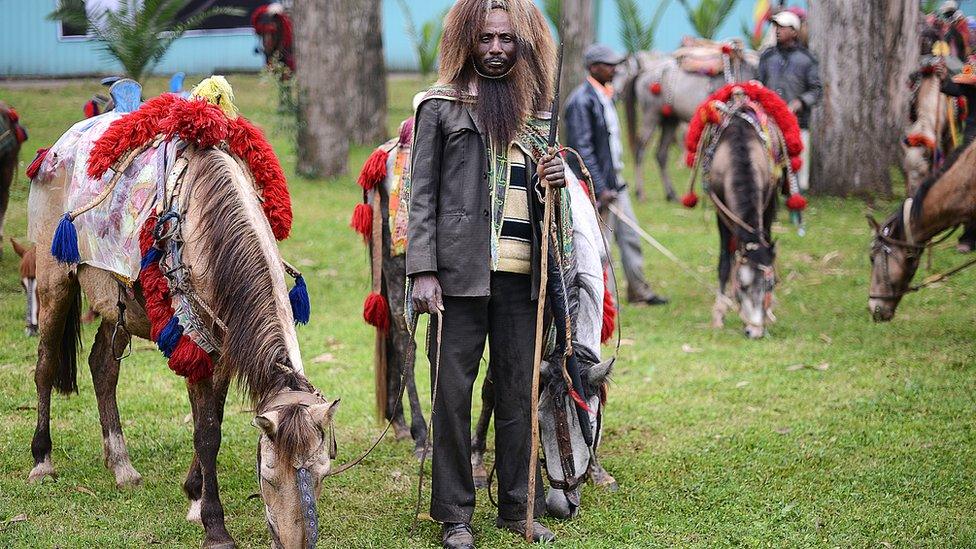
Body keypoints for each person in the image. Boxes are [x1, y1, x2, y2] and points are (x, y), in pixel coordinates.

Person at [406, 1, 566, 546]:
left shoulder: (539, 113)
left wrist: (555, 179)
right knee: (453, 394)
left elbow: (550, 209)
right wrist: (424, 272)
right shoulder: (439, 107)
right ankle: (454, 515)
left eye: (506, 40)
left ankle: (518, 508)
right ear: (466, 43)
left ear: (523, 43)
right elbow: (419, 197)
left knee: (519, 393)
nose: (496, 49)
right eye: (485, 40)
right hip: (458, 278)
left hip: (522, 281)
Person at [563, 44, 669, 306]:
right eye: (609, 64)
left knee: (630, 238)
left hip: (615, 184)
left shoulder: (605, 96)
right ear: (594, 67)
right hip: (599, 189)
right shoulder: (581, 101)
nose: (615, 69)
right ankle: (604, 300)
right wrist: (599, 188)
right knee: (601, 247)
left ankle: (638, 291)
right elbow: (582, 149)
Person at [758, 10, 822, 192]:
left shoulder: (807, 59)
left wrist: (799, 103)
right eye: (776, 26)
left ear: (794, 31)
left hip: (797, 123)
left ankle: (796, 200)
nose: (777, 30)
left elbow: (816, 90)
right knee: (768, 166)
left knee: (797, 172)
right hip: (769, 123)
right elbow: (759, 84)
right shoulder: (767, 57)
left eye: (782, 27)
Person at [936, 56, 976, 251]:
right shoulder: (973, 64)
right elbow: (957, 89)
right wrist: (944, 79)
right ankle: (968, 237)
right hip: (973, 139)